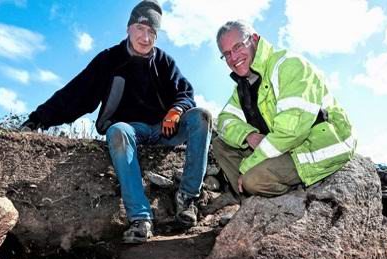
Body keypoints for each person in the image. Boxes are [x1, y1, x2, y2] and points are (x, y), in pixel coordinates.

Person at [21, 1, 211, 244]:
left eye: (152, 32)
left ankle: (187, 199)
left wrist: (176, 109)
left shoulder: (165, 62)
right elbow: (75, 94)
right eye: (140, 29)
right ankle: (140, 219)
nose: (145, 37)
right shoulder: (110, 59)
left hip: (164, 129)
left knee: (201, 116)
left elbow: (186, 94)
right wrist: (38, 119)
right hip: (130, 130)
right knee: (118, 131)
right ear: (128, 28)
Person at [211, 21, 355, 197]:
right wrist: (248, 136)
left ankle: (287, 194)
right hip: (283, 144)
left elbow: (291, 133)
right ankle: (249, 201)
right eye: (226, 54)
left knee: (252, 179)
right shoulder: (244, 85)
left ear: (254, 39)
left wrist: (247, 167)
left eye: (238, 46)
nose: (233, 57)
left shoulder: (290, 65)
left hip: (315, 145)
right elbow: (225, 119)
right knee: (221, 144)